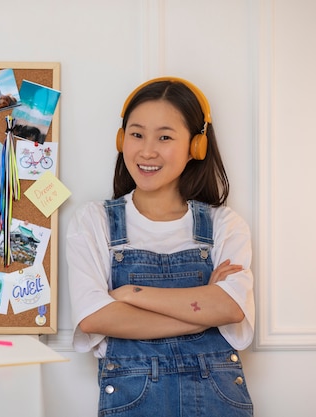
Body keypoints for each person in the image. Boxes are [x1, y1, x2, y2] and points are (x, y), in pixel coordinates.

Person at [66, 77, 255, 416]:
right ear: (122, 140)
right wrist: (202, 316)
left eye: (165, 137)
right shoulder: (92, 221)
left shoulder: (226, 225)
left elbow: (230, 309)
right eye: (136, 134)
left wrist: (132, 294)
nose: (147, 150)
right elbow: (95, 317)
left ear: (196, 147)